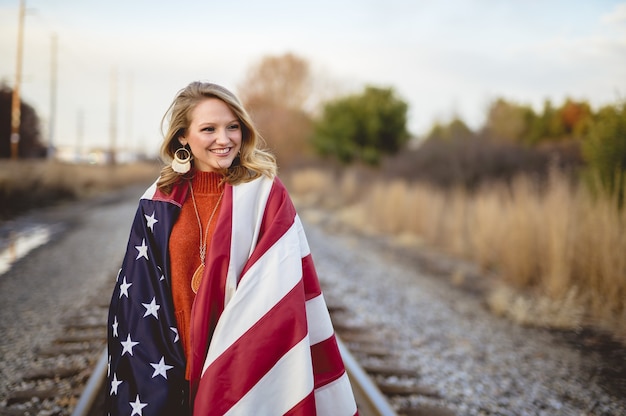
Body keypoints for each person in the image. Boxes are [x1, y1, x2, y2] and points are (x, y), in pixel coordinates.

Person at [105, 81, 358, 415]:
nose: (224, 140)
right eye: (208, 129)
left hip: (241, 358)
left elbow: (282, 286)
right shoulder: (158, 200)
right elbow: (138, 296)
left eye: (232, 127)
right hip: (171, 354)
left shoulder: (265, 194)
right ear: (183, 136)